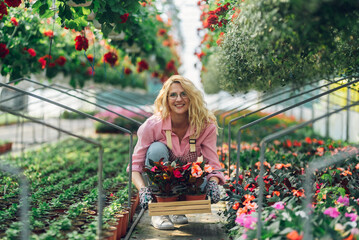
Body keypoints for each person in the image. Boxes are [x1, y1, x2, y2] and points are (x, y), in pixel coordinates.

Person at [130, 75, 225, 230]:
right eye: (172, 95)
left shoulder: (205, 126)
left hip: (187, 184)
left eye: (183, 94)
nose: (178, 99)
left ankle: (177, 209)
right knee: (157, 149)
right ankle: (160, 213)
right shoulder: (153, 125)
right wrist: (143, 191)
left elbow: (213, 163)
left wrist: (214, 183)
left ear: (191, 97)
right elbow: (135, 166)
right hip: (160, 187)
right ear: (166, 99)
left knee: (201, 177)